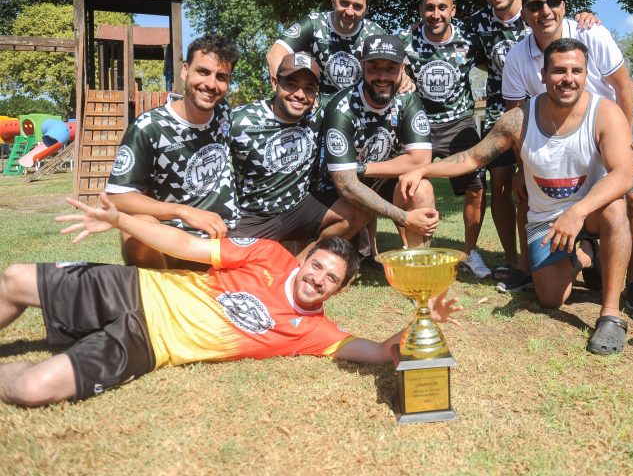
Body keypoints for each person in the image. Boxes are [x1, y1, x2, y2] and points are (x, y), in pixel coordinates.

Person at [0, 193, 461, 406]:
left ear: (339, 291)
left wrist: (427, 322)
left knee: (32, 388)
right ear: (304, 261)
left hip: (147, 344)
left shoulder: (316, 332)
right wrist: (121, 219)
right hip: (135, 288)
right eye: (316, 266)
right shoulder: (268, 255)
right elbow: (183, 247)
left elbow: (382, 352)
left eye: (330, 280)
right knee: (13, 279)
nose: (317, 279)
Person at [401, 39, 633, 355]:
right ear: (543, 74)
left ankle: (610, 314)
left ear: (585, 73)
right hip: (546, 220)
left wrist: (577, 212)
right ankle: (586, 255)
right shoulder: (519, 119)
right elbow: (472, 158)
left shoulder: (604, 112)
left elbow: (624, 174)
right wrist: (423, 171)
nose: (568, 78)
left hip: (589, 211)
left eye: (576, 70)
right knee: (551, 298)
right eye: (559, 71)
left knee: (615, 210)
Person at [501, 0, 633, 311]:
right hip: (555, 132)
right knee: (528, 193)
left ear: (564, 6)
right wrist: (522, 165)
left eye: (553, 2)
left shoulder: (590, 32)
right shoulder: (516, 56)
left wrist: (628, 142)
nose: (546, 10)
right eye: (536, 5)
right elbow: (515, 115)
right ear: (524, 14)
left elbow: (623, 87)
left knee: (630, 197)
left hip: (611, 126)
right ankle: (542, 264)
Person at [466, 0, 600, 293]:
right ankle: (516, 261)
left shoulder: (541, 11)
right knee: (503, 183)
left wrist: (589, 16)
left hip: (556, 111)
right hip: (508, 112)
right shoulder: (477, 22)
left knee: (544, 184)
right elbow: (455, 49)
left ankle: (584, 247)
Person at [105, 34, 241, 270]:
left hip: (226, 233)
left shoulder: (224, 113)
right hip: (174, 237)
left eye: (221, 77)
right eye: (203, 72)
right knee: (136, 229)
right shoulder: (150, 128)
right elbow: (118, 196)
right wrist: (183, 212)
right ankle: (159, 289)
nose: (211, 84)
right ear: (184, 70)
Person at [228, 52, 368, 257]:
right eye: (291, 84)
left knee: (357, 209)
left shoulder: (319, 112)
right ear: (275, 82)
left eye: (309, 88)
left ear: (317, 93)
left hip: (298, 210)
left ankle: (301, 264)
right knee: (238, 269)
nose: (300, 94)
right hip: (252, 217)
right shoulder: (240, 121)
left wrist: (402, 80)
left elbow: (362, 93)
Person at [400, 0, 490, 278]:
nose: (436, 13)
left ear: (453, 10)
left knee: (476, 189)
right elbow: (387, 72)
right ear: (421, 10)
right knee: (409, 186)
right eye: (429, 7)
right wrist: (403, 81)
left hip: (459, 124)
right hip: (420, 125)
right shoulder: (406, 41)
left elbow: (498, 65)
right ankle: (413, 250)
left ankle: (469, 253)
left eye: (442, 7)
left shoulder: (470, 40)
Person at [321, 34, 439, 249]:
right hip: (340, 187)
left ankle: (418, 265)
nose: (382, 77)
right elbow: (346, 184)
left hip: (372, 175)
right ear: (362, 66)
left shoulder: (408, 99)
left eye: (391, 68)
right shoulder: (341, 107)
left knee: (421, 188)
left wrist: (362, 168)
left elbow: (421, 160)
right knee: (353, 231)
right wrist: (404, 217)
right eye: (374, 68)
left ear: (402, 69)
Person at [266, 0, 386, 94]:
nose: (350, 12)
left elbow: (394, 71)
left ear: (366, 10)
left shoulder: (375, 34)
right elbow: (275, 54)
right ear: (333, 1)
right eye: (344, 3)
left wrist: (404, 79)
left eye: (357, 6)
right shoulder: (313, 23)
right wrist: (285, 90)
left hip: (360, 105)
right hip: (317, 106)